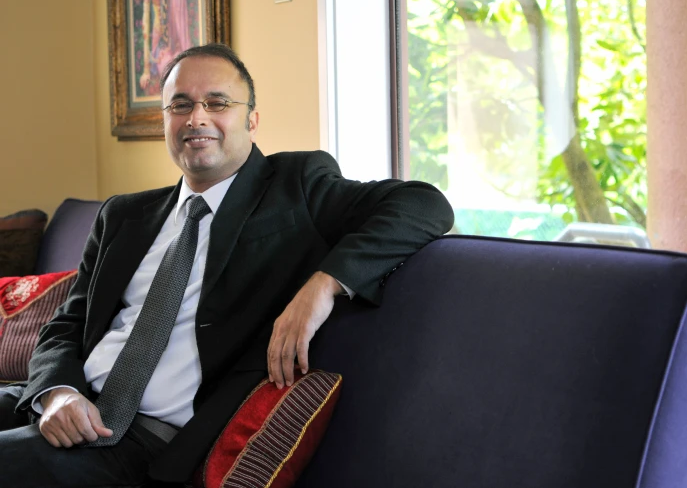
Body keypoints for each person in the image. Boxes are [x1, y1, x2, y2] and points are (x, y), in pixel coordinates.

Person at [0, 43, 453, 487]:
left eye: (217, 103)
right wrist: (56, 393)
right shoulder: (123, 215)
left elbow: (424, 204)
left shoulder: (298, 187)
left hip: (140, 438)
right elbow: (66, 325)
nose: (196, 117)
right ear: (165, 122)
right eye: (180, 105)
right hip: (57, 400)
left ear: (251, 119)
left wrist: (323, 284)